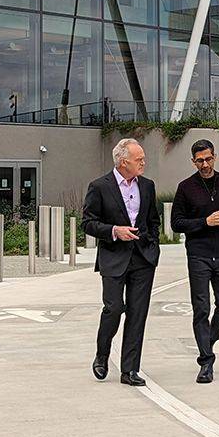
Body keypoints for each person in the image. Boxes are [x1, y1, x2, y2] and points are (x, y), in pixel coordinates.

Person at [82, 138, 161, 387]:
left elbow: (153, 220)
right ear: (123, 162)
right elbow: (88, 223)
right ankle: (102, 354)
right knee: (114, 308)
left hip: (143, 258)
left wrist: (153, 247)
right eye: (139, 160)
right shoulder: (99, 186)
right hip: (113, 257)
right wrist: (115, 231)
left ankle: (130, 370)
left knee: (138, 314)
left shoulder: (147, 186)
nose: (144, 163)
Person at [171, 139, 219, 384]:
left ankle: (208, 342)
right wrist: (204, 222)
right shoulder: (185, 187)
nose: (205, 164)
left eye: (208, 159)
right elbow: (176, 223)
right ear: (193, 161)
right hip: (198, 254)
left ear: (215, 157)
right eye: (200, 160)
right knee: (201, 308)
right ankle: (206, 362)